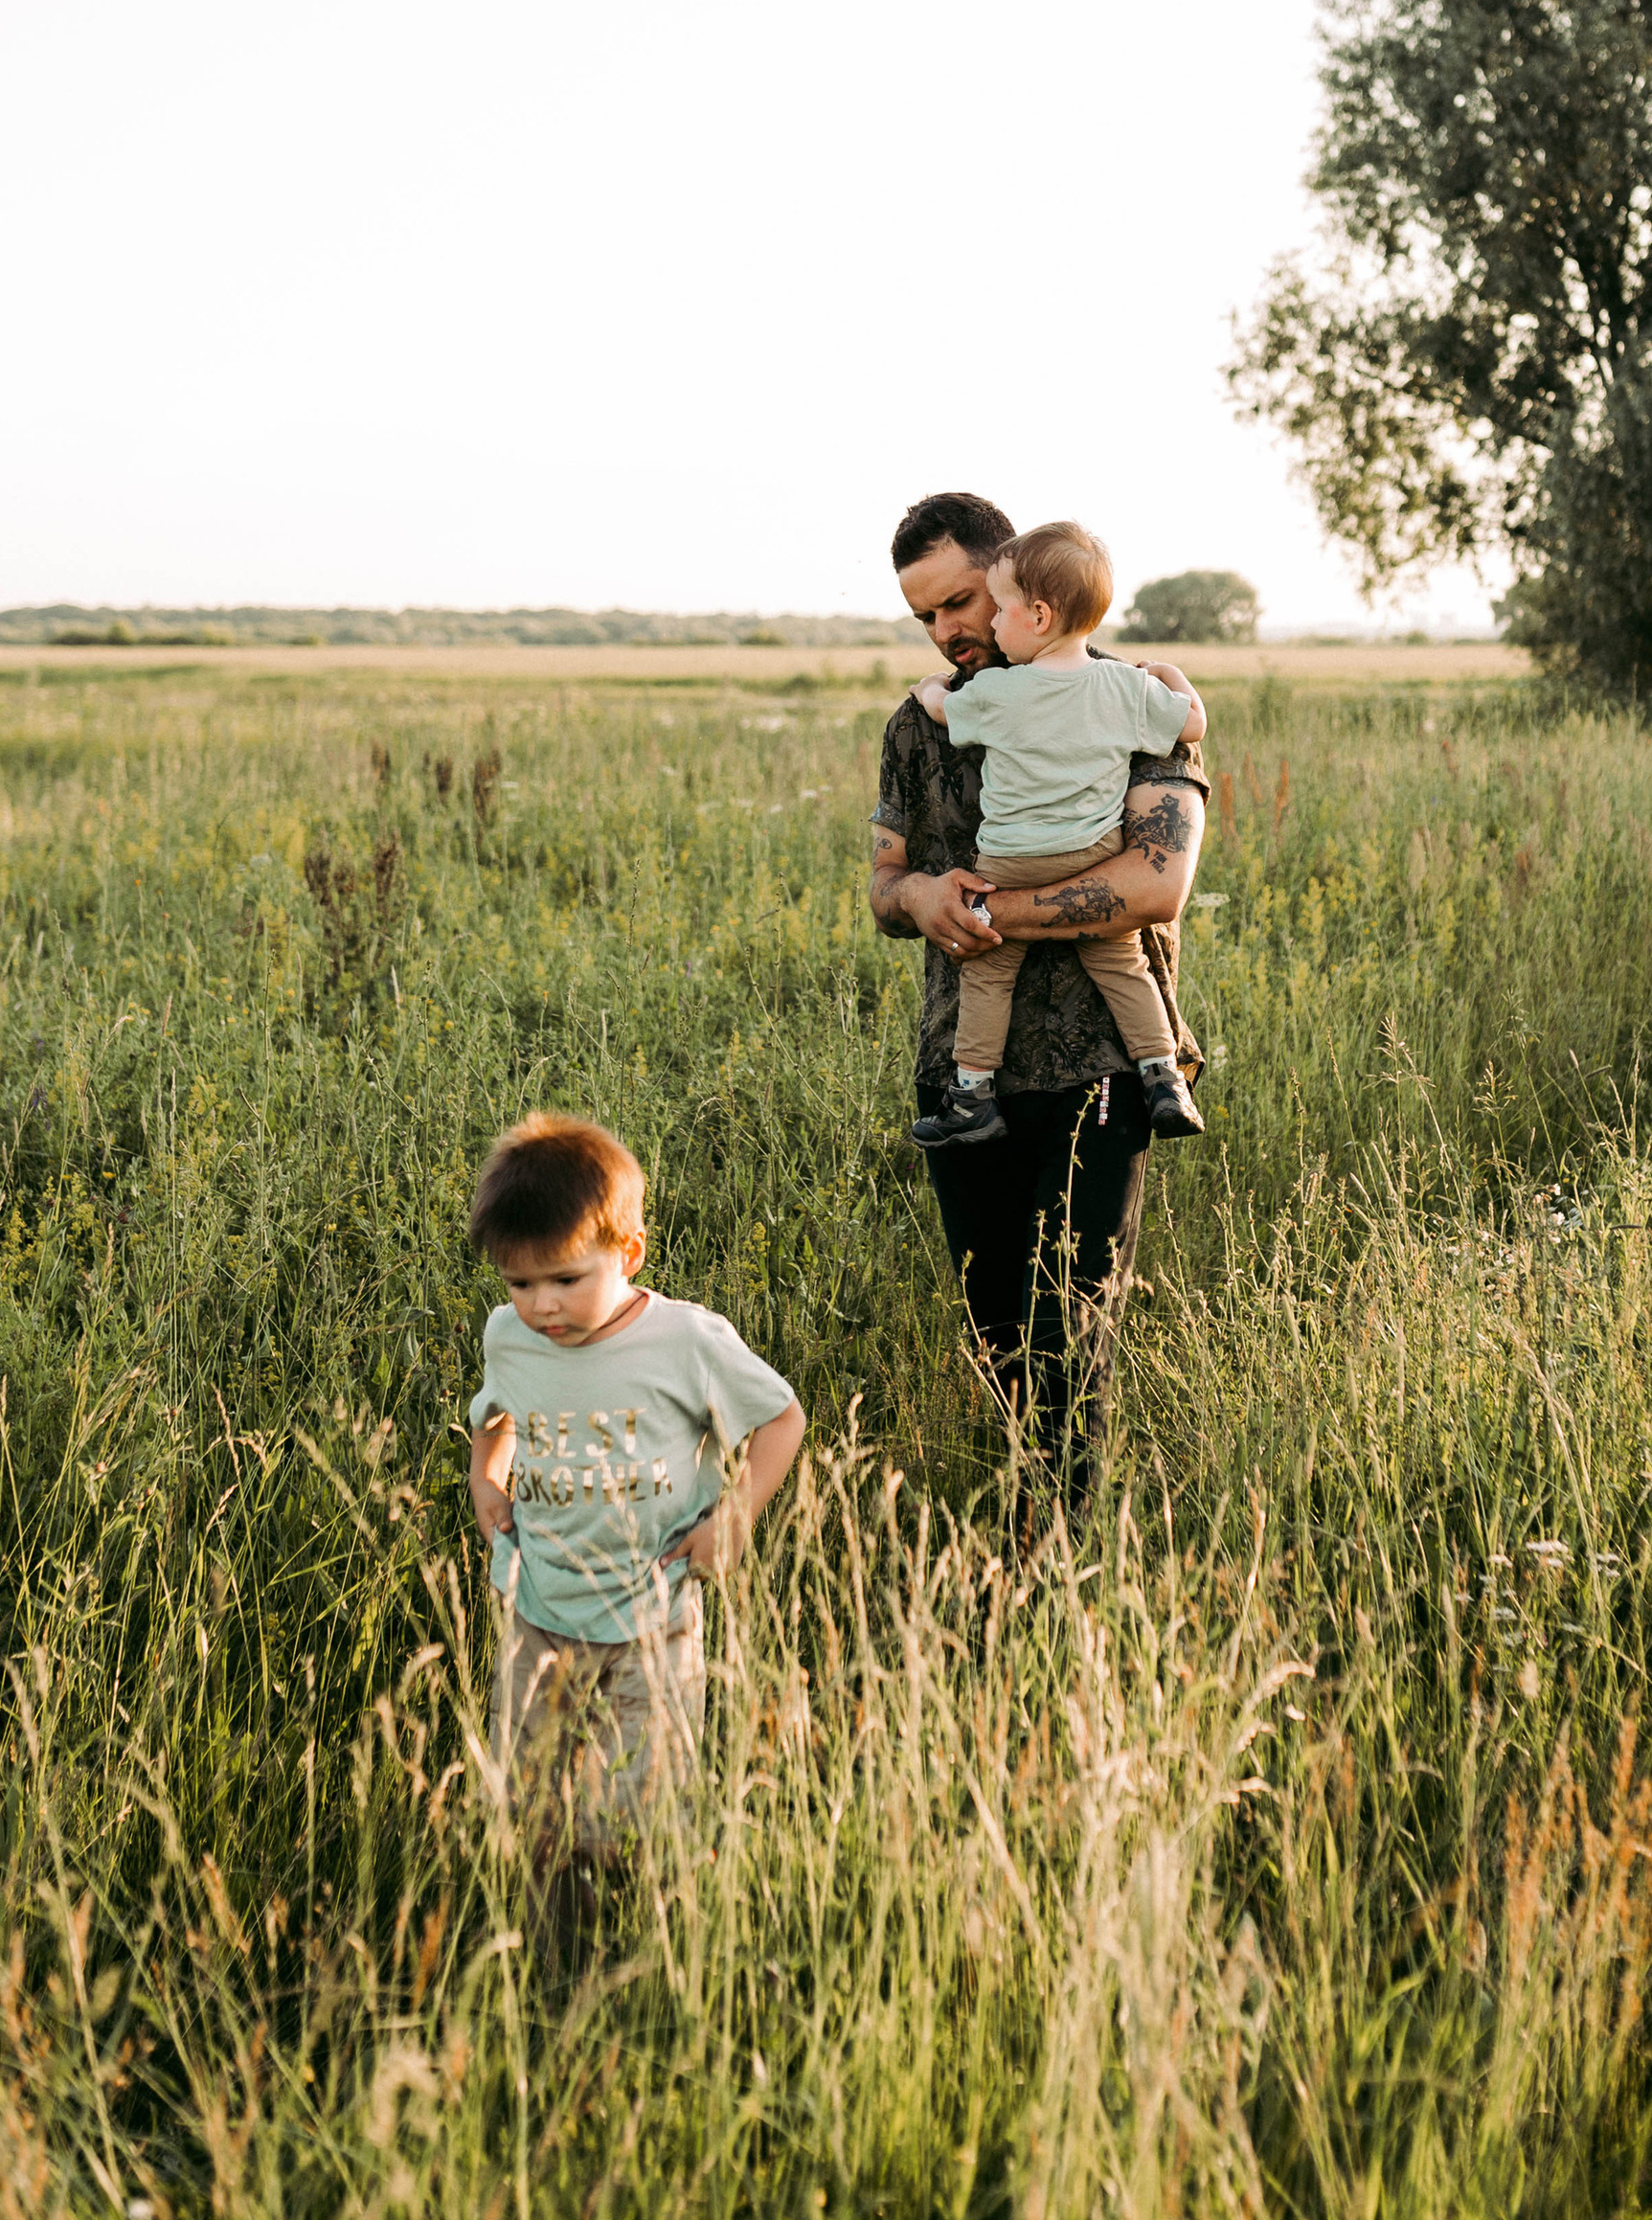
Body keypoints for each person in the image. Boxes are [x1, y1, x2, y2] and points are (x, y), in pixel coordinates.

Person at [871, 489, 1210, 1507]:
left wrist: (995, 911)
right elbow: (886, 889)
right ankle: (1021, 1533)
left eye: (962, 600)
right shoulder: (920, 724)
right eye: (925, 615)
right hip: (962, 1068)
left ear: (1020, 587)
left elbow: (1156, 884)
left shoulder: (1129, 697)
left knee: (1073, 1335)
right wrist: (923, 895)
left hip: (1098, 1063)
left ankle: (1053, 1562)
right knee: (995, 1331)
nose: (947, 630)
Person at [464, 1110, 805, 1848]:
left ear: (630, 1252)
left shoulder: (683, 1341)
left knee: (639, 1816)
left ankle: (644, 1937)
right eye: (520, 1281)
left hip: (655, 1621)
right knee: (532, 1813)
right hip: (538, 1616)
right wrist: (487, 1479)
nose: (542, 1304)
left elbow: (783, 1420)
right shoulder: (509, 1335)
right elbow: (495, 1413)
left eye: (566, 1278)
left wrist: (734, 1519)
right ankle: (553, 1944)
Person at [910, 516, 1207, 1152]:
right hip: (1093, 855)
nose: (991, 624)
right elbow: (1192, 725)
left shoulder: (997, 691)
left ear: (1038, 616)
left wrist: (930, 686)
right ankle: (1162, 1076)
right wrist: (1173, 676)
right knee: (1123, 963)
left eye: (1000, 610)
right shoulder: (1127, 686)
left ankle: (971, 1093)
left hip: (1011, 862)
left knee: (989, 972)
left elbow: (941, 709)